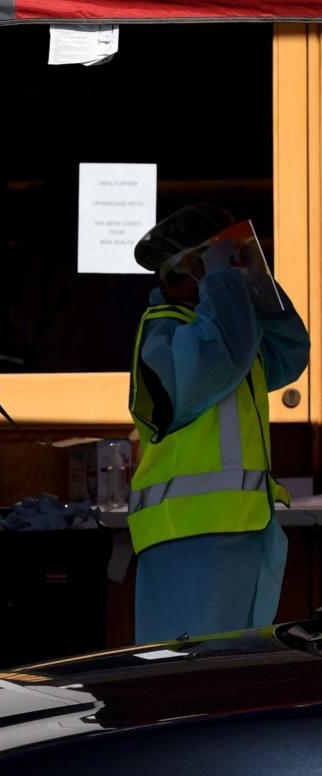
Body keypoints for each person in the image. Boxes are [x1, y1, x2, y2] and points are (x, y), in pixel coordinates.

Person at [127, 204, 309, 644]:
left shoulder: (225, 326)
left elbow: (289, 355)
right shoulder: (166, 331)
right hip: (190, 540)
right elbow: (221, 353)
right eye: (226, 260)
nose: (236, 268)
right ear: (193, 267)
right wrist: (224, 283)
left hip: (236, 533)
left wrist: (258, 288)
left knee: (229, 676)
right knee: (194, 685)